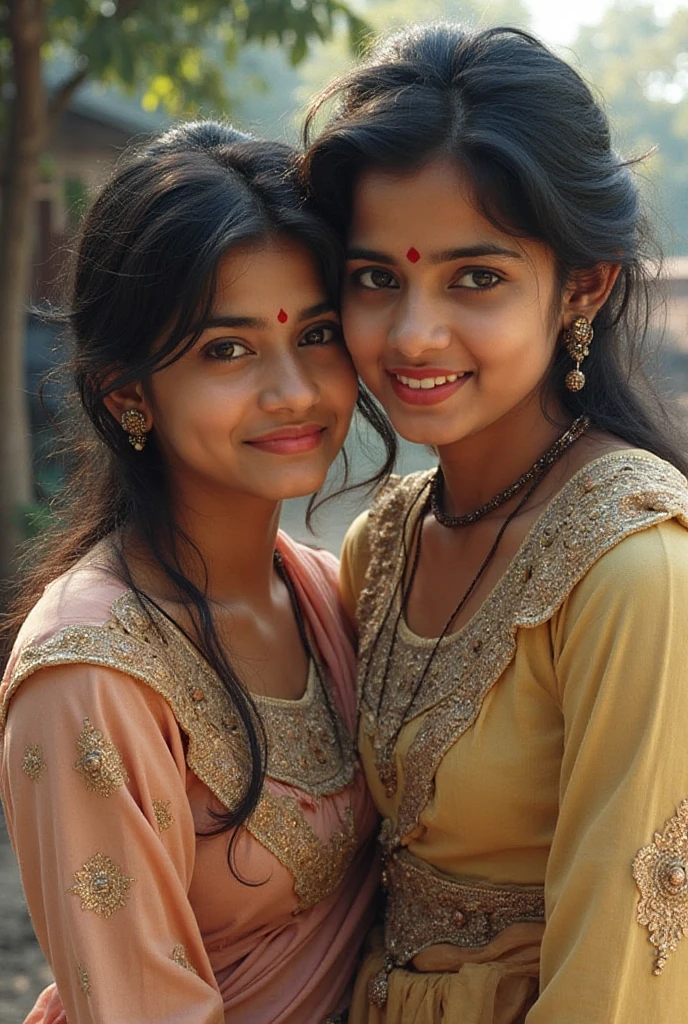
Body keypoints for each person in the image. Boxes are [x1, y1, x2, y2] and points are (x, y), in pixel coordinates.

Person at [302, 23, 688, 1023]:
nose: (413, 333)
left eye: (474, 277)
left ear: (583, 285)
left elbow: (625, 955)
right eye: (376, 277)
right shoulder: (379, 547)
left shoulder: (636, 566)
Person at [0, 121, 395, 1024]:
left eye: (318, 333)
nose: (293, 389)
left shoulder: (328, 592)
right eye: (229, 348)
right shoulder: (91, 676)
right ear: (125, 392)